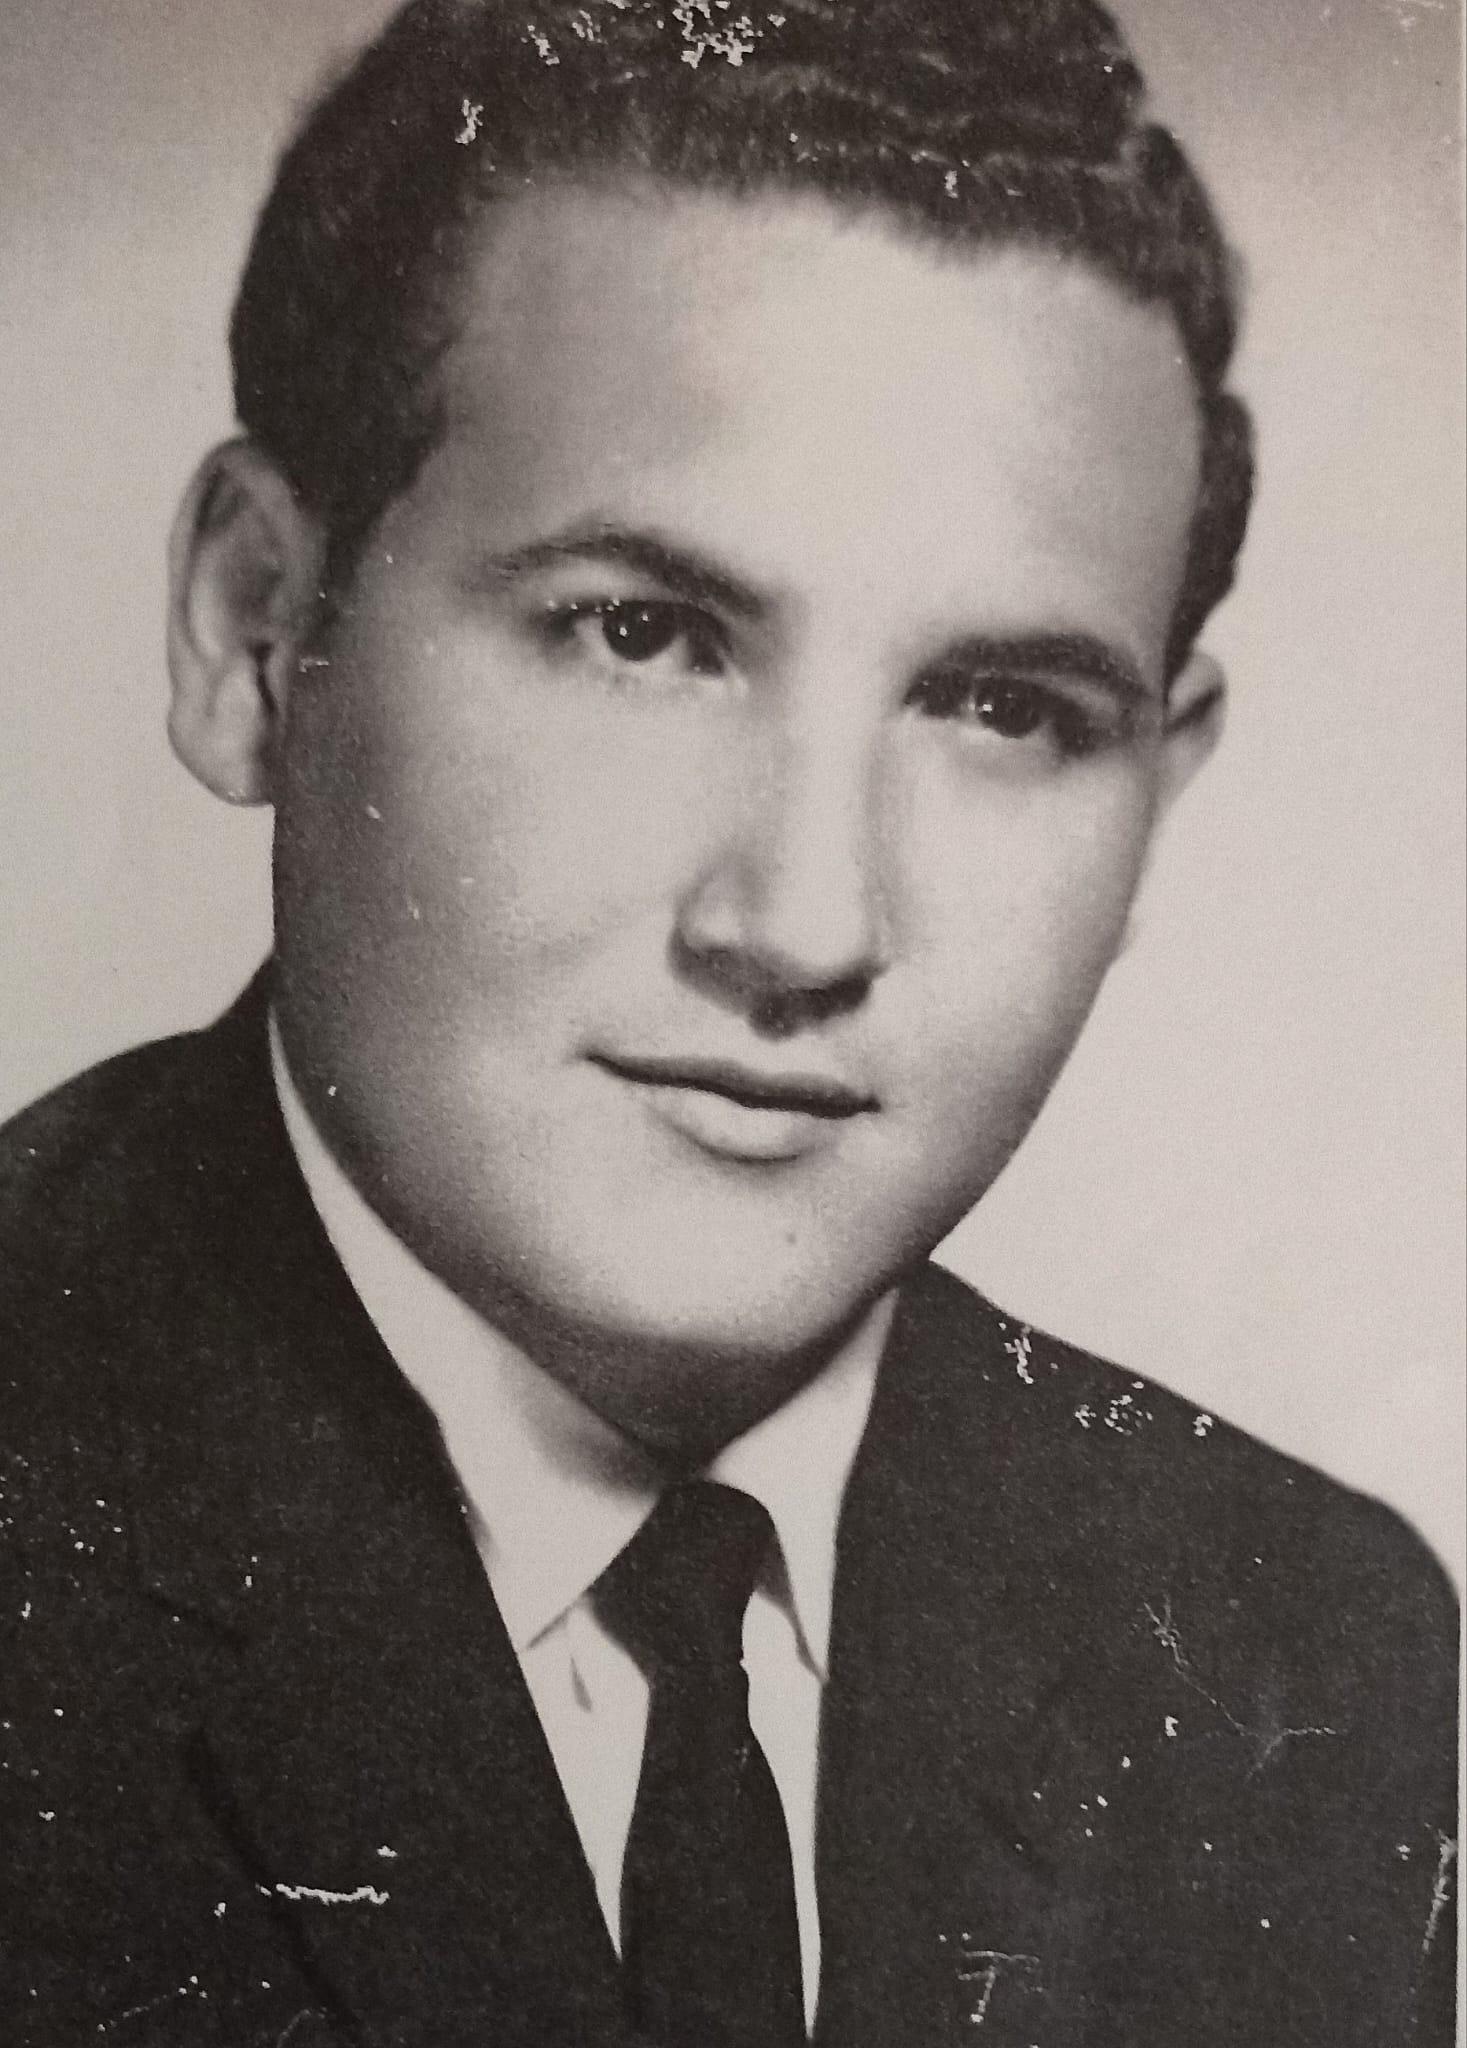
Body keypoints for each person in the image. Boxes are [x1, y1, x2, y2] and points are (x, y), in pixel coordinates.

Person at [1, 1, 1455, 2042]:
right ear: (258, 633)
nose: (802, 923)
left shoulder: (1310, 1648)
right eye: (644, 633)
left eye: (1001, 709)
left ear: (1155, 794)